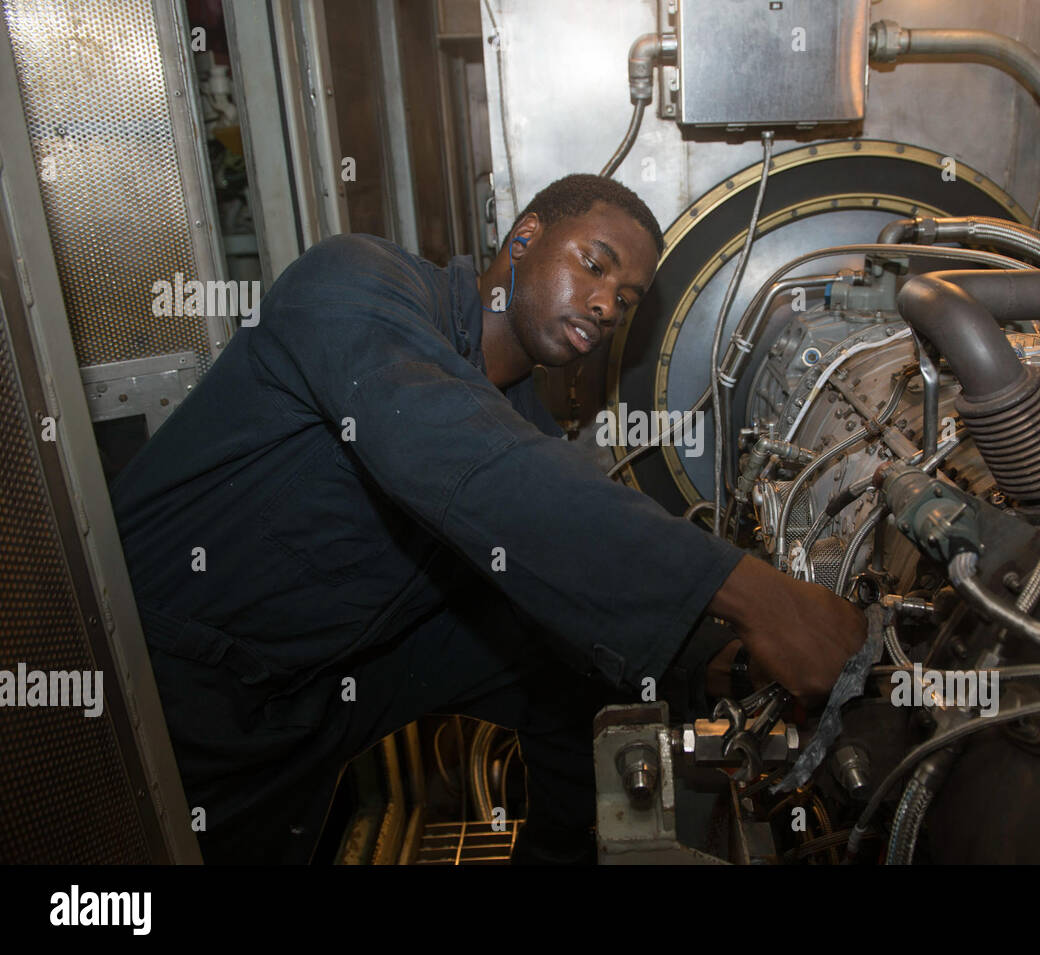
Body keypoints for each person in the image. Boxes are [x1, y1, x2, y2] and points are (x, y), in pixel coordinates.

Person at [109, 173, 866, 864]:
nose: (606, 306)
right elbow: (465, 456)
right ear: (525, 237)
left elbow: (538, 538)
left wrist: (721, 659)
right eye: (596, 265)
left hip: (280, 740)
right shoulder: (358, 282)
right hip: (141, 681)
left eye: (628, 301)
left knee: (570, 661)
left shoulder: (521, 432)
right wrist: (760, 596)